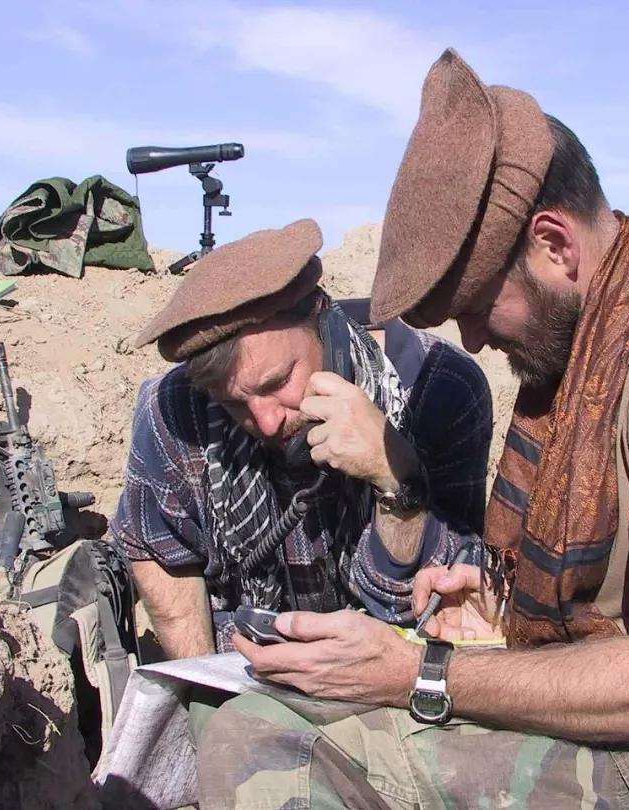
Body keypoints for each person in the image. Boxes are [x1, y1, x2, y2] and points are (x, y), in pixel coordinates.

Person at [194, 52, 629, 809]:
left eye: (480, 306)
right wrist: (504, 609)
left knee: (265, 745)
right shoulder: (604, 341)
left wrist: (417, 674)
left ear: (555, 244)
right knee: (252, 710)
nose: (474, 340)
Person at [109, 218, 492, 658]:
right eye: (235, 404)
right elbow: (160, 553)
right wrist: (201, 684)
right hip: (241, 663)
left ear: (326, 327)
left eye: (278, 382)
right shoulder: (172, 410)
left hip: (385, 662)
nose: (267, 422)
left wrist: (394, 475)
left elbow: (427, 604)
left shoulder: (441, 389)